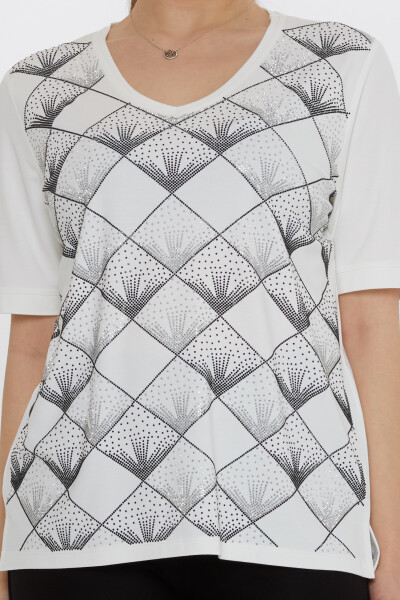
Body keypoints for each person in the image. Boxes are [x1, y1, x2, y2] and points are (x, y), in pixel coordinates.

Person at [0, 0, 400, 598]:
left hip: (297, 528)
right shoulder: (38, 89)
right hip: (69, 532)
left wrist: (391, 560)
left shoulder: (342, 65)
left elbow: (372, 325)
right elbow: (33, 340)